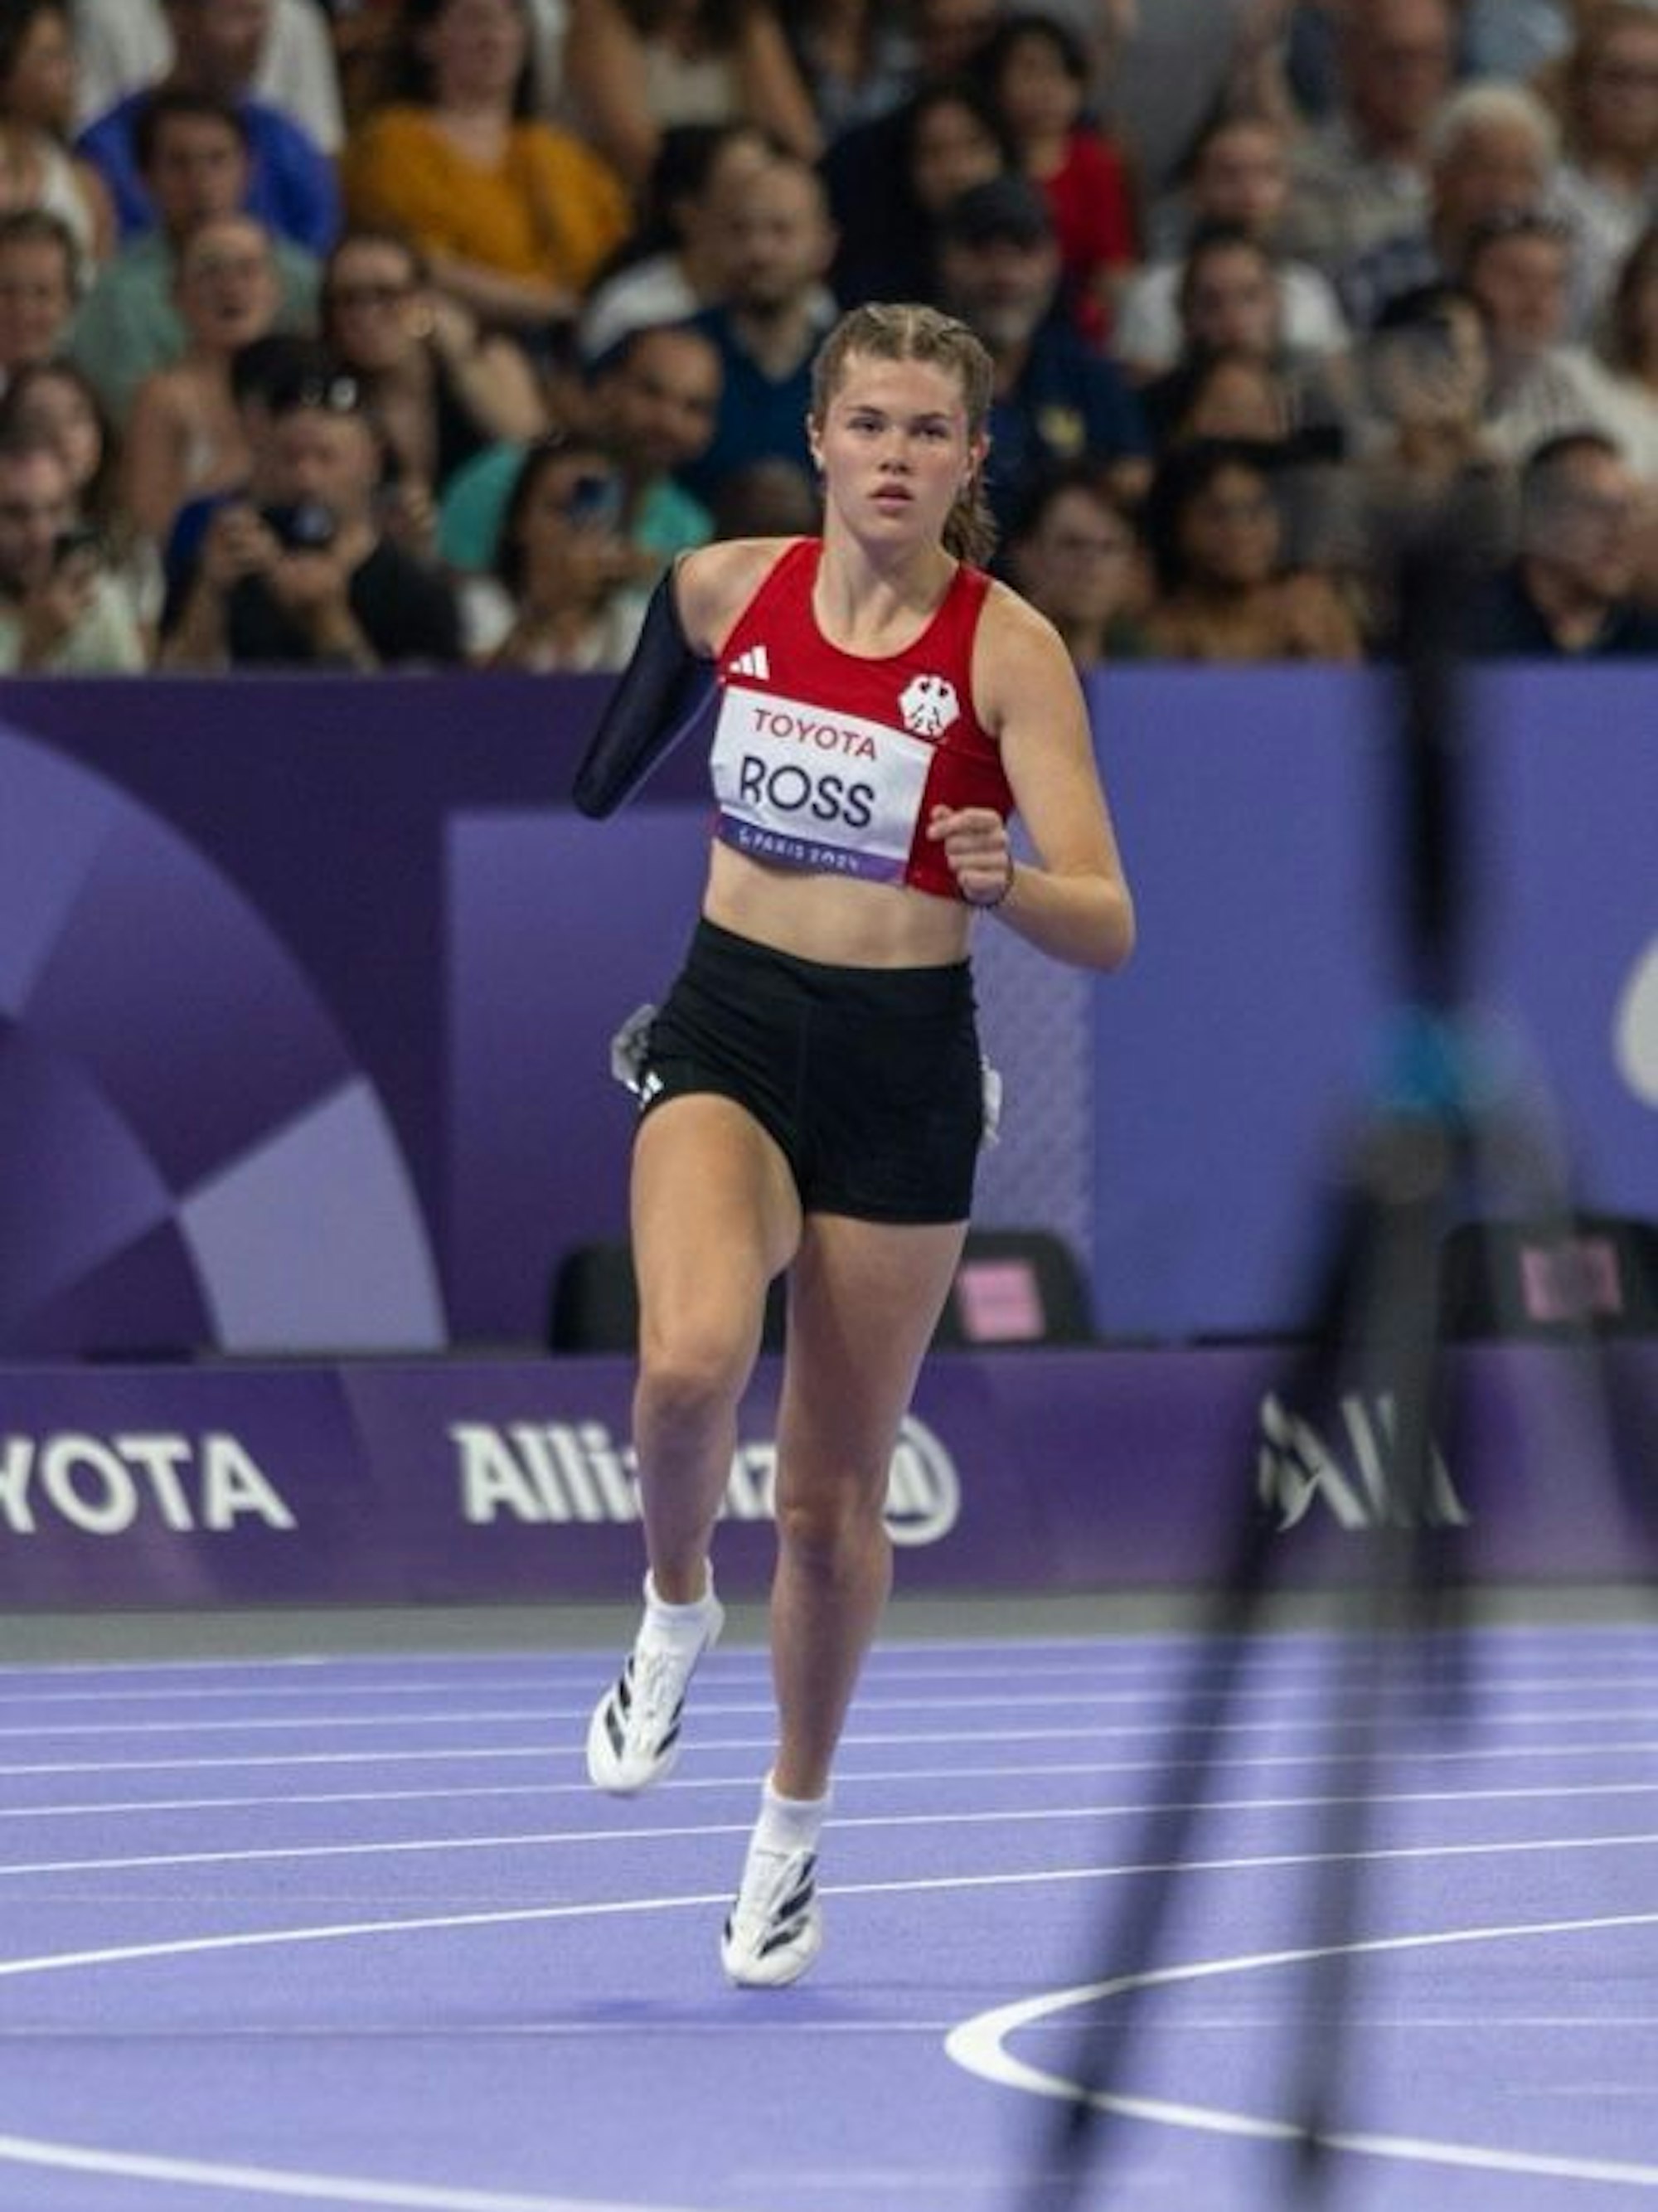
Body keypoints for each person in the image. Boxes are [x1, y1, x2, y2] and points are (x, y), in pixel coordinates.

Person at [575, 298, 1134, 1987]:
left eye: (928, 431)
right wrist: (613, 765)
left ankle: (788, 1835)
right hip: (730, 1025)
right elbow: (614, 750)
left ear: (972, 458)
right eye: (868, 423)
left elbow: (1106, 919)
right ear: (818, 436)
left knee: (828, 1501)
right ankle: (675, 1598)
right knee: (686, 1364)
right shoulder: (722, 589)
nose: (895, 456)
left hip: (902, 1069)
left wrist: (1006, 882)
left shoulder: (1007, 649)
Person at [339, 0, 631, 344]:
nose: (495, 37)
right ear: (426, 39)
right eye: (475, 20)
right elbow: (417, 262)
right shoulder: (393, 143)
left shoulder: (563, 152)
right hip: (455, 336)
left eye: (510, 21)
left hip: (586, 336)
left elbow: (619, 251)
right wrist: (551, 307)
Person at [158, 358, 464, 667]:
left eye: (325, 458)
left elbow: (421, 697)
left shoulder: (413, 587)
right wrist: (210, 594)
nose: (306, 479)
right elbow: (171, 684)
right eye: (290, 458)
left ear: (373, 460)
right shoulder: (230, 562)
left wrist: (331, 624)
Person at [66, 86, 318, 424]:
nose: (201, 182)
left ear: (249, 167)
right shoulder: (117, 295)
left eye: (217, 159)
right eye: (178, 163)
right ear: (144, 178)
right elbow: (123, 416)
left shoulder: (301, 276)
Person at [933, 171, 1150, 526]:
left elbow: (1134, 477)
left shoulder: (1087, 374)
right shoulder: (903, 373)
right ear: (945, 258)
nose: (1004, 275)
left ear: (1053, 260)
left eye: (1024, 250)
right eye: (981, 251)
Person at [76, 0, 339, 255]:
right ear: (179, 17)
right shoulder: (106, 149)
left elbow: (318, 253)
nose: (255, 36)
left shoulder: (289, 143)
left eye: (258, 16)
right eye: (234, 15)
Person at [1466, 425, 1658, 653]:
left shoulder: (1646, 636)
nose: (1620, 533)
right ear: (1537, 518)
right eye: (1594, 508)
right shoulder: (1462, 625)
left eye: (1627, 510)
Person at [0, 420, 146, 667]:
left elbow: (130, 692)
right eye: (15, 514)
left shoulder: (99, 602)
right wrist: (35, 649)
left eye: (55, 510)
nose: (41, 534)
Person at [0, 0, 115, 264]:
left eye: (67, 55)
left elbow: (103, 283)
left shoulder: (85, 186)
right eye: (50, 57)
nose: (71, 73)